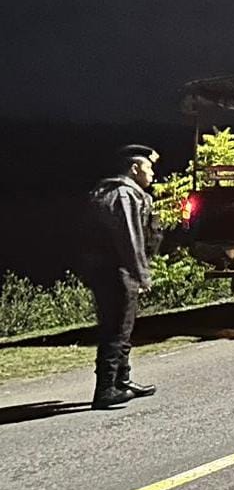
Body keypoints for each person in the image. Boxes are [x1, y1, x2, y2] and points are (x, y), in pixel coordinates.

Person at [79, 145, 161, 409]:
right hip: (116, 270)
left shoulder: (118, 192)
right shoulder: (123, 195)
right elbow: (129, 238)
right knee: (117, 328)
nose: (152, 173)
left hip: (110, 269)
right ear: (135, 168)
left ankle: (121, 381)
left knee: (122, 326)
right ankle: (106, 389)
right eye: (148, 167)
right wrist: (141, 273)